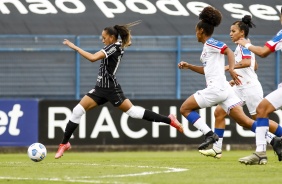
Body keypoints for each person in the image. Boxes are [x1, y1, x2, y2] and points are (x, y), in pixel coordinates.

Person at [54, 21, 183, 159]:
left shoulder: (114, 47)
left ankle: (169, 120)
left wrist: (74, 46)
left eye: (104, 37)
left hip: (111, 89)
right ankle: (64, 144)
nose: (102, 40)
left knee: (133, 112)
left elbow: (92, 58)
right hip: (99, 89)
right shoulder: (114, 46)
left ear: (111, 37)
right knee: (77, 111)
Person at [199, 15, 282, 161]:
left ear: (242, 33)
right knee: (219, 111)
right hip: (240, 86)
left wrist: (227, 67)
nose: (230, 33)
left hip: (250, 88)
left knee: (260, 118)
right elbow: (254, 65)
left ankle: (273, 143)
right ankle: (217, 149)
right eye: (230, 31)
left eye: (233, 31)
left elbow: (246, 62)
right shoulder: (240, 47)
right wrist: (236, 77)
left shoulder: (244, 45)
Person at [178, 6, 250, 151]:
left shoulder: (211, 43)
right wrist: (189, 66)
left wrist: (231, 69)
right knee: (245, 121)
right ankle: (273, 140)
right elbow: (207, 71)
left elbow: (228, 51)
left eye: (196, 31)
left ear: (201, 31)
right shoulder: (207, 48)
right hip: (224, 89)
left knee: (185, 109)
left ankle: (209, 134)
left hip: (216, 89)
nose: (196, 33)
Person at [235, 8, 282, 165]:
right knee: (262, 109)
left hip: (250, 86)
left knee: (261, 110)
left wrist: (247, 45)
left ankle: (262, 152)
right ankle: (260, 153)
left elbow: (262, 52)